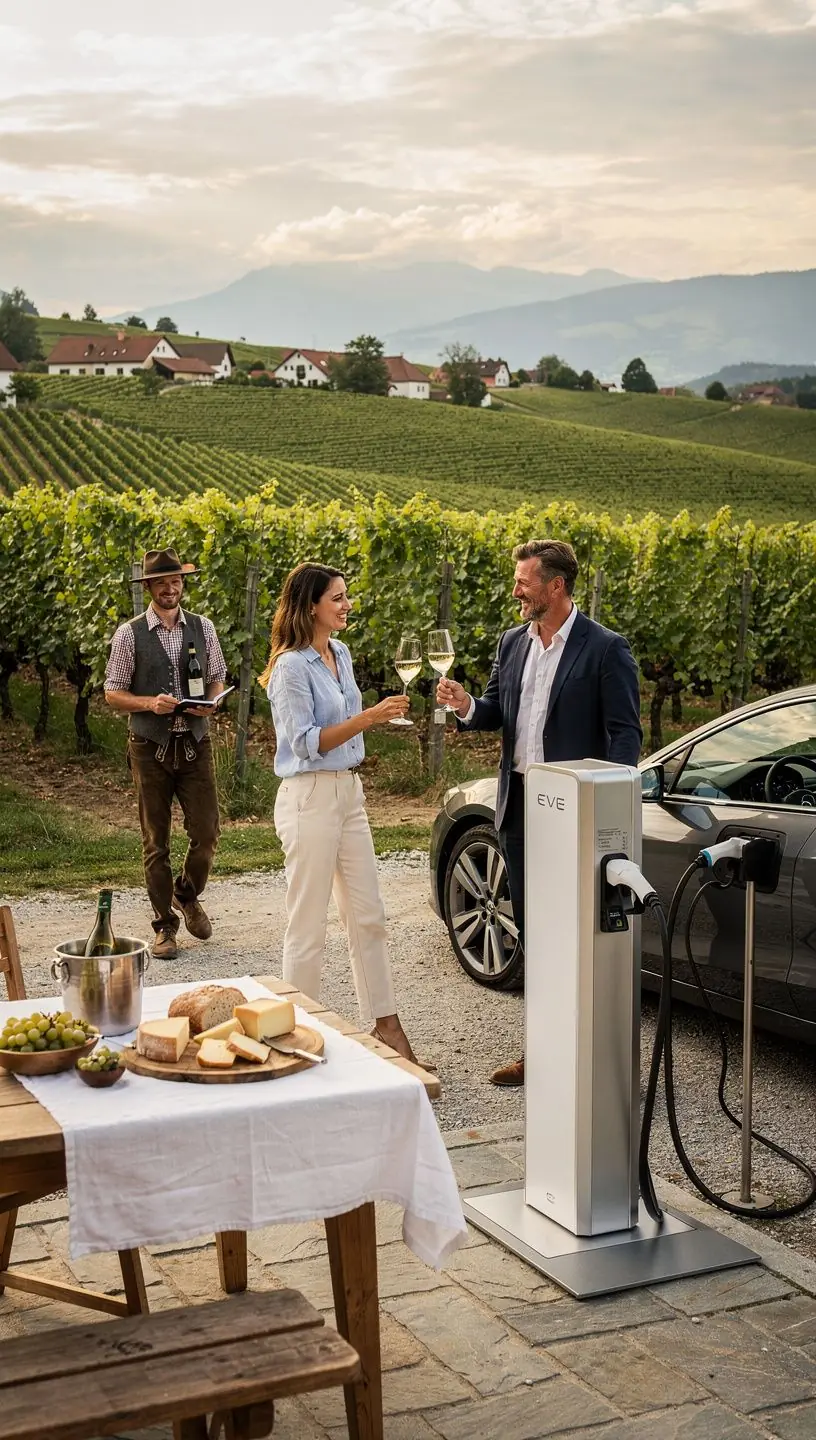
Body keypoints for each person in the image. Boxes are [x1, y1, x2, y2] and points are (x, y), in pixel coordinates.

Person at [437, 538, 642, 1086]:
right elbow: (497, 711)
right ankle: (542, 1052)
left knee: (584, 936)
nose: (515, 589)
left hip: (577, 812)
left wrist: (606, 809)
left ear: (555, 586)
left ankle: (594, 1057)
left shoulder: (605, 649)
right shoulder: (512, 643)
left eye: (524, 581)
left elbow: (625, 738)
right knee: (535, 933)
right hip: (521, 808)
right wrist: (465, 707)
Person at [261, 562, 422, 1064]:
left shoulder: (341, 653)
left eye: (347, 596)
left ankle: (386, 1027)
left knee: (368, 916)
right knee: (307, 923)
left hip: (349, 794)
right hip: (309, 797)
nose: (347, 605)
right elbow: (305, 744)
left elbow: (342, 731)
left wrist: (368, 721)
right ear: (311, 606)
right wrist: (369, 718)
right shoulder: (289, 667)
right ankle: (291, 1035)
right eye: (338, 598)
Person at [105, 547, 227, 959]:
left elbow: (216, 677)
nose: (171, 588)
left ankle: (186, 893)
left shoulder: (203, 627)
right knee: (155, 841)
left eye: (176, 581)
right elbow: (112, 693)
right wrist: (148, 704)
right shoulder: (129, 633)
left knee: (207, 831)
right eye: (162, 583)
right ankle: (165, 927)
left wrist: (211, 702)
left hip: (195, 741)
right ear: (150, 588)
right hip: (149, 746)